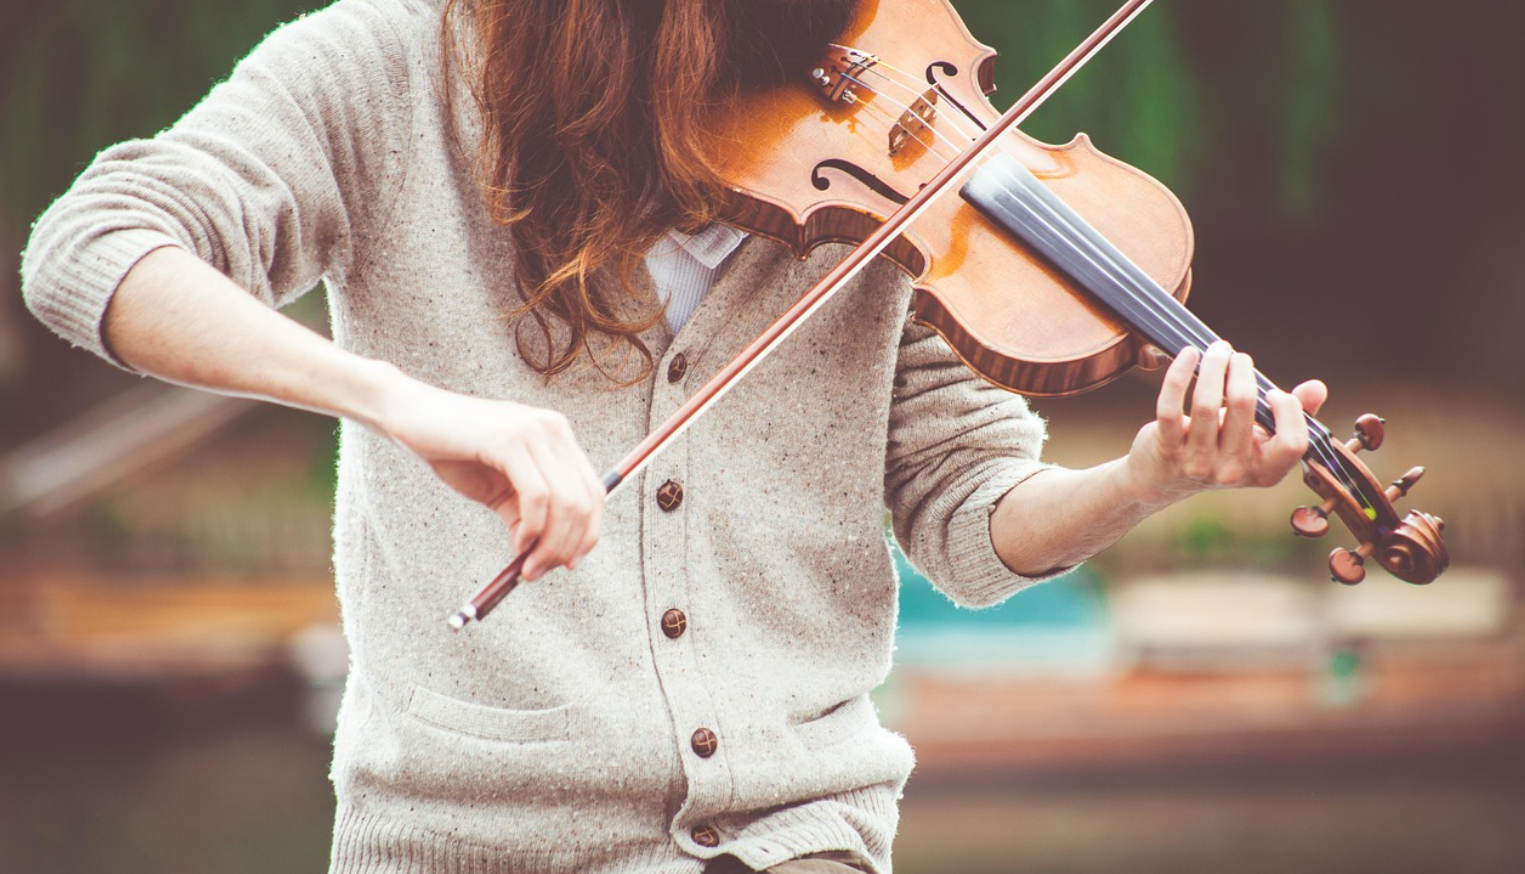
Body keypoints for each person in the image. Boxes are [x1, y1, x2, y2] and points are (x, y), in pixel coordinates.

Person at [20, 0, 1325, 871]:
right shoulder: (382, 73)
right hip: (466, 841)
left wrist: (1146, 476)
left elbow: (971, 516)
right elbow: (95, 250)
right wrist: (403, 401)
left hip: (798, 834)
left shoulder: (883, 165)